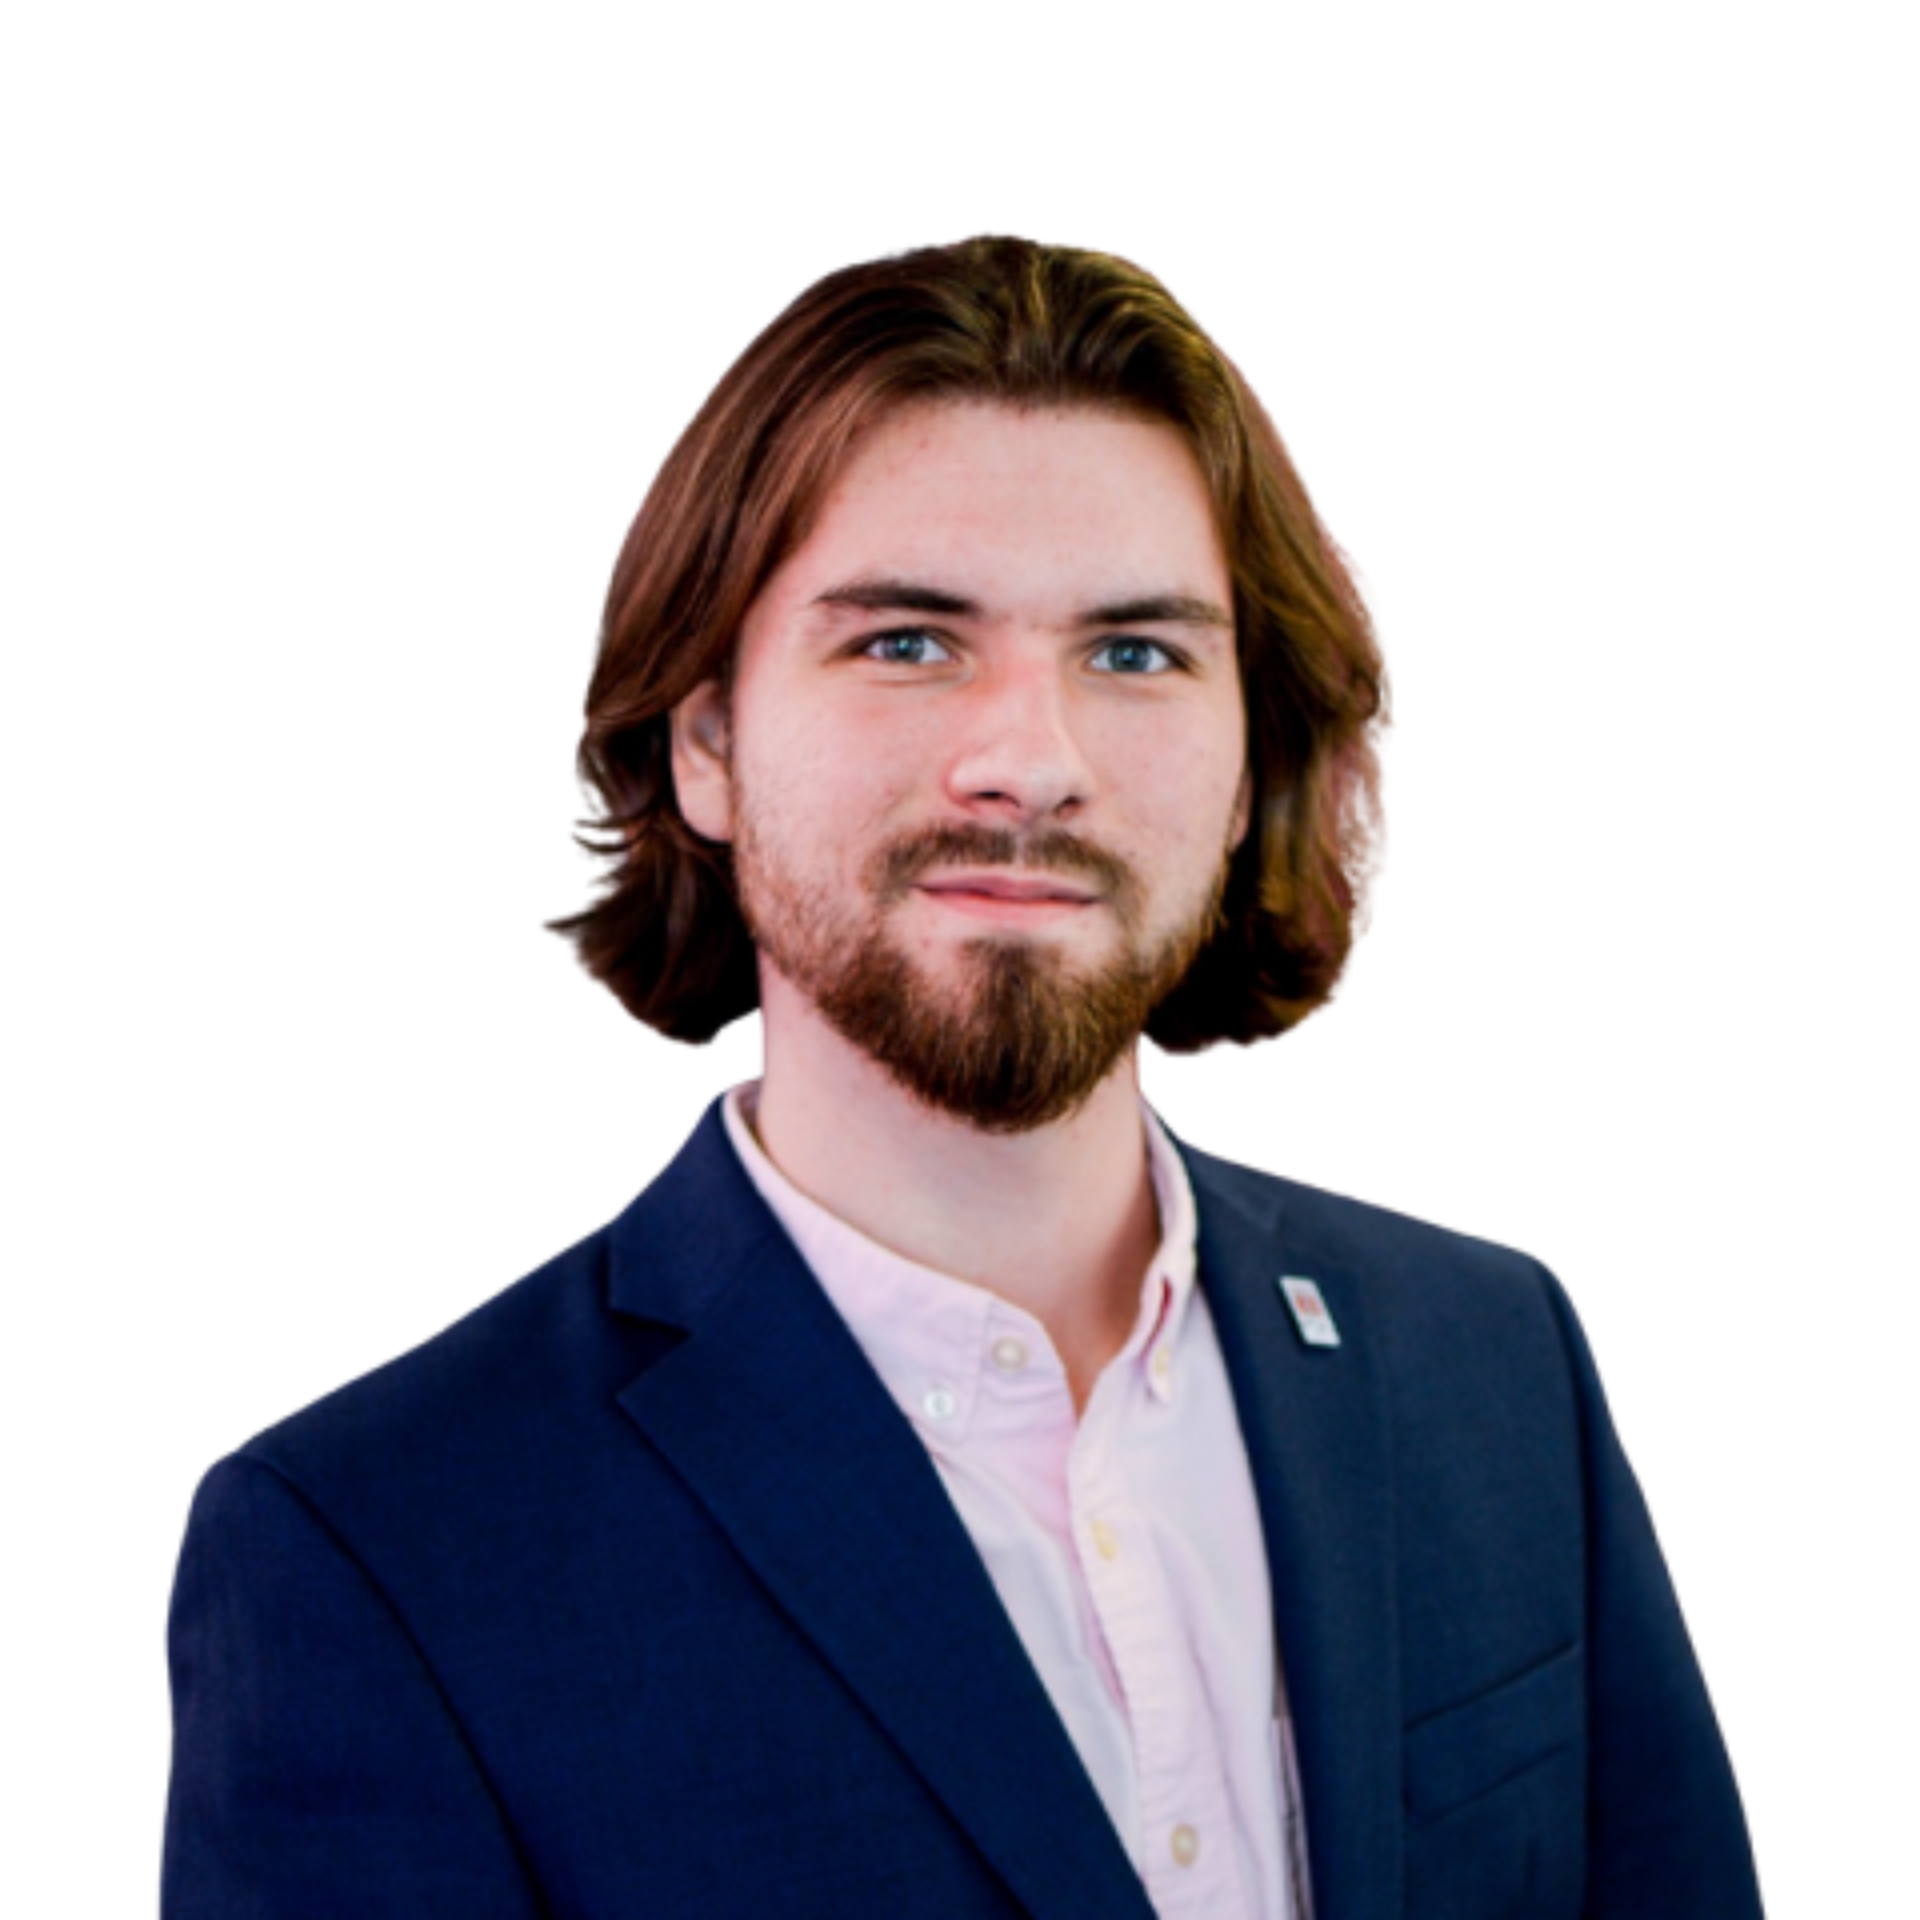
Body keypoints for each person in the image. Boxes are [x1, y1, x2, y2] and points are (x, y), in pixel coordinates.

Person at [159, 233, 1762, 1918]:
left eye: (1134, 653)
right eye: (909, 643)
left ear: (1246, 767)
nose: (1030, 762)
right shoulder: (369, 1543)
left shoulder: (1496, 1358)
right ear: (705, 743)